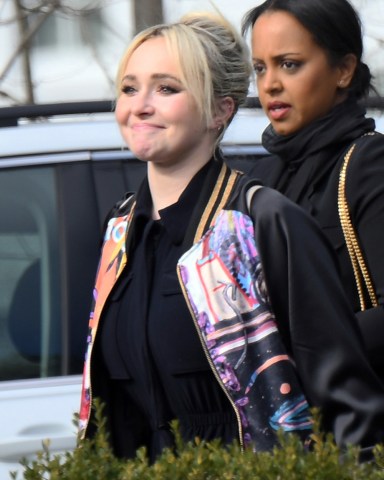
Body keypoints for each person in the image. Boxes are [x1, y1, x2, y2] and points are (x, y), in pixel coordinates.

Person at [78, 12, 384, 463]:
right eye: (129, 87)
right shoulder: (119, 231)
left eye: (166, 88)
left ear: (221, 109)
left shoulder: (262, 220)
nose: (140, 105)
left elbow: (347, 412)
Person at [242, 0, 384, 380]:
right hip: (283, 426)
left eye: (289, 64)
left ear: (343, 69)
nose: (270, 83)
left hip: (355, 422)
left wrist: (289, 356)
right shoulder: (259, 178)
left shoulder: (369, 164)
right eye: (260, 67)